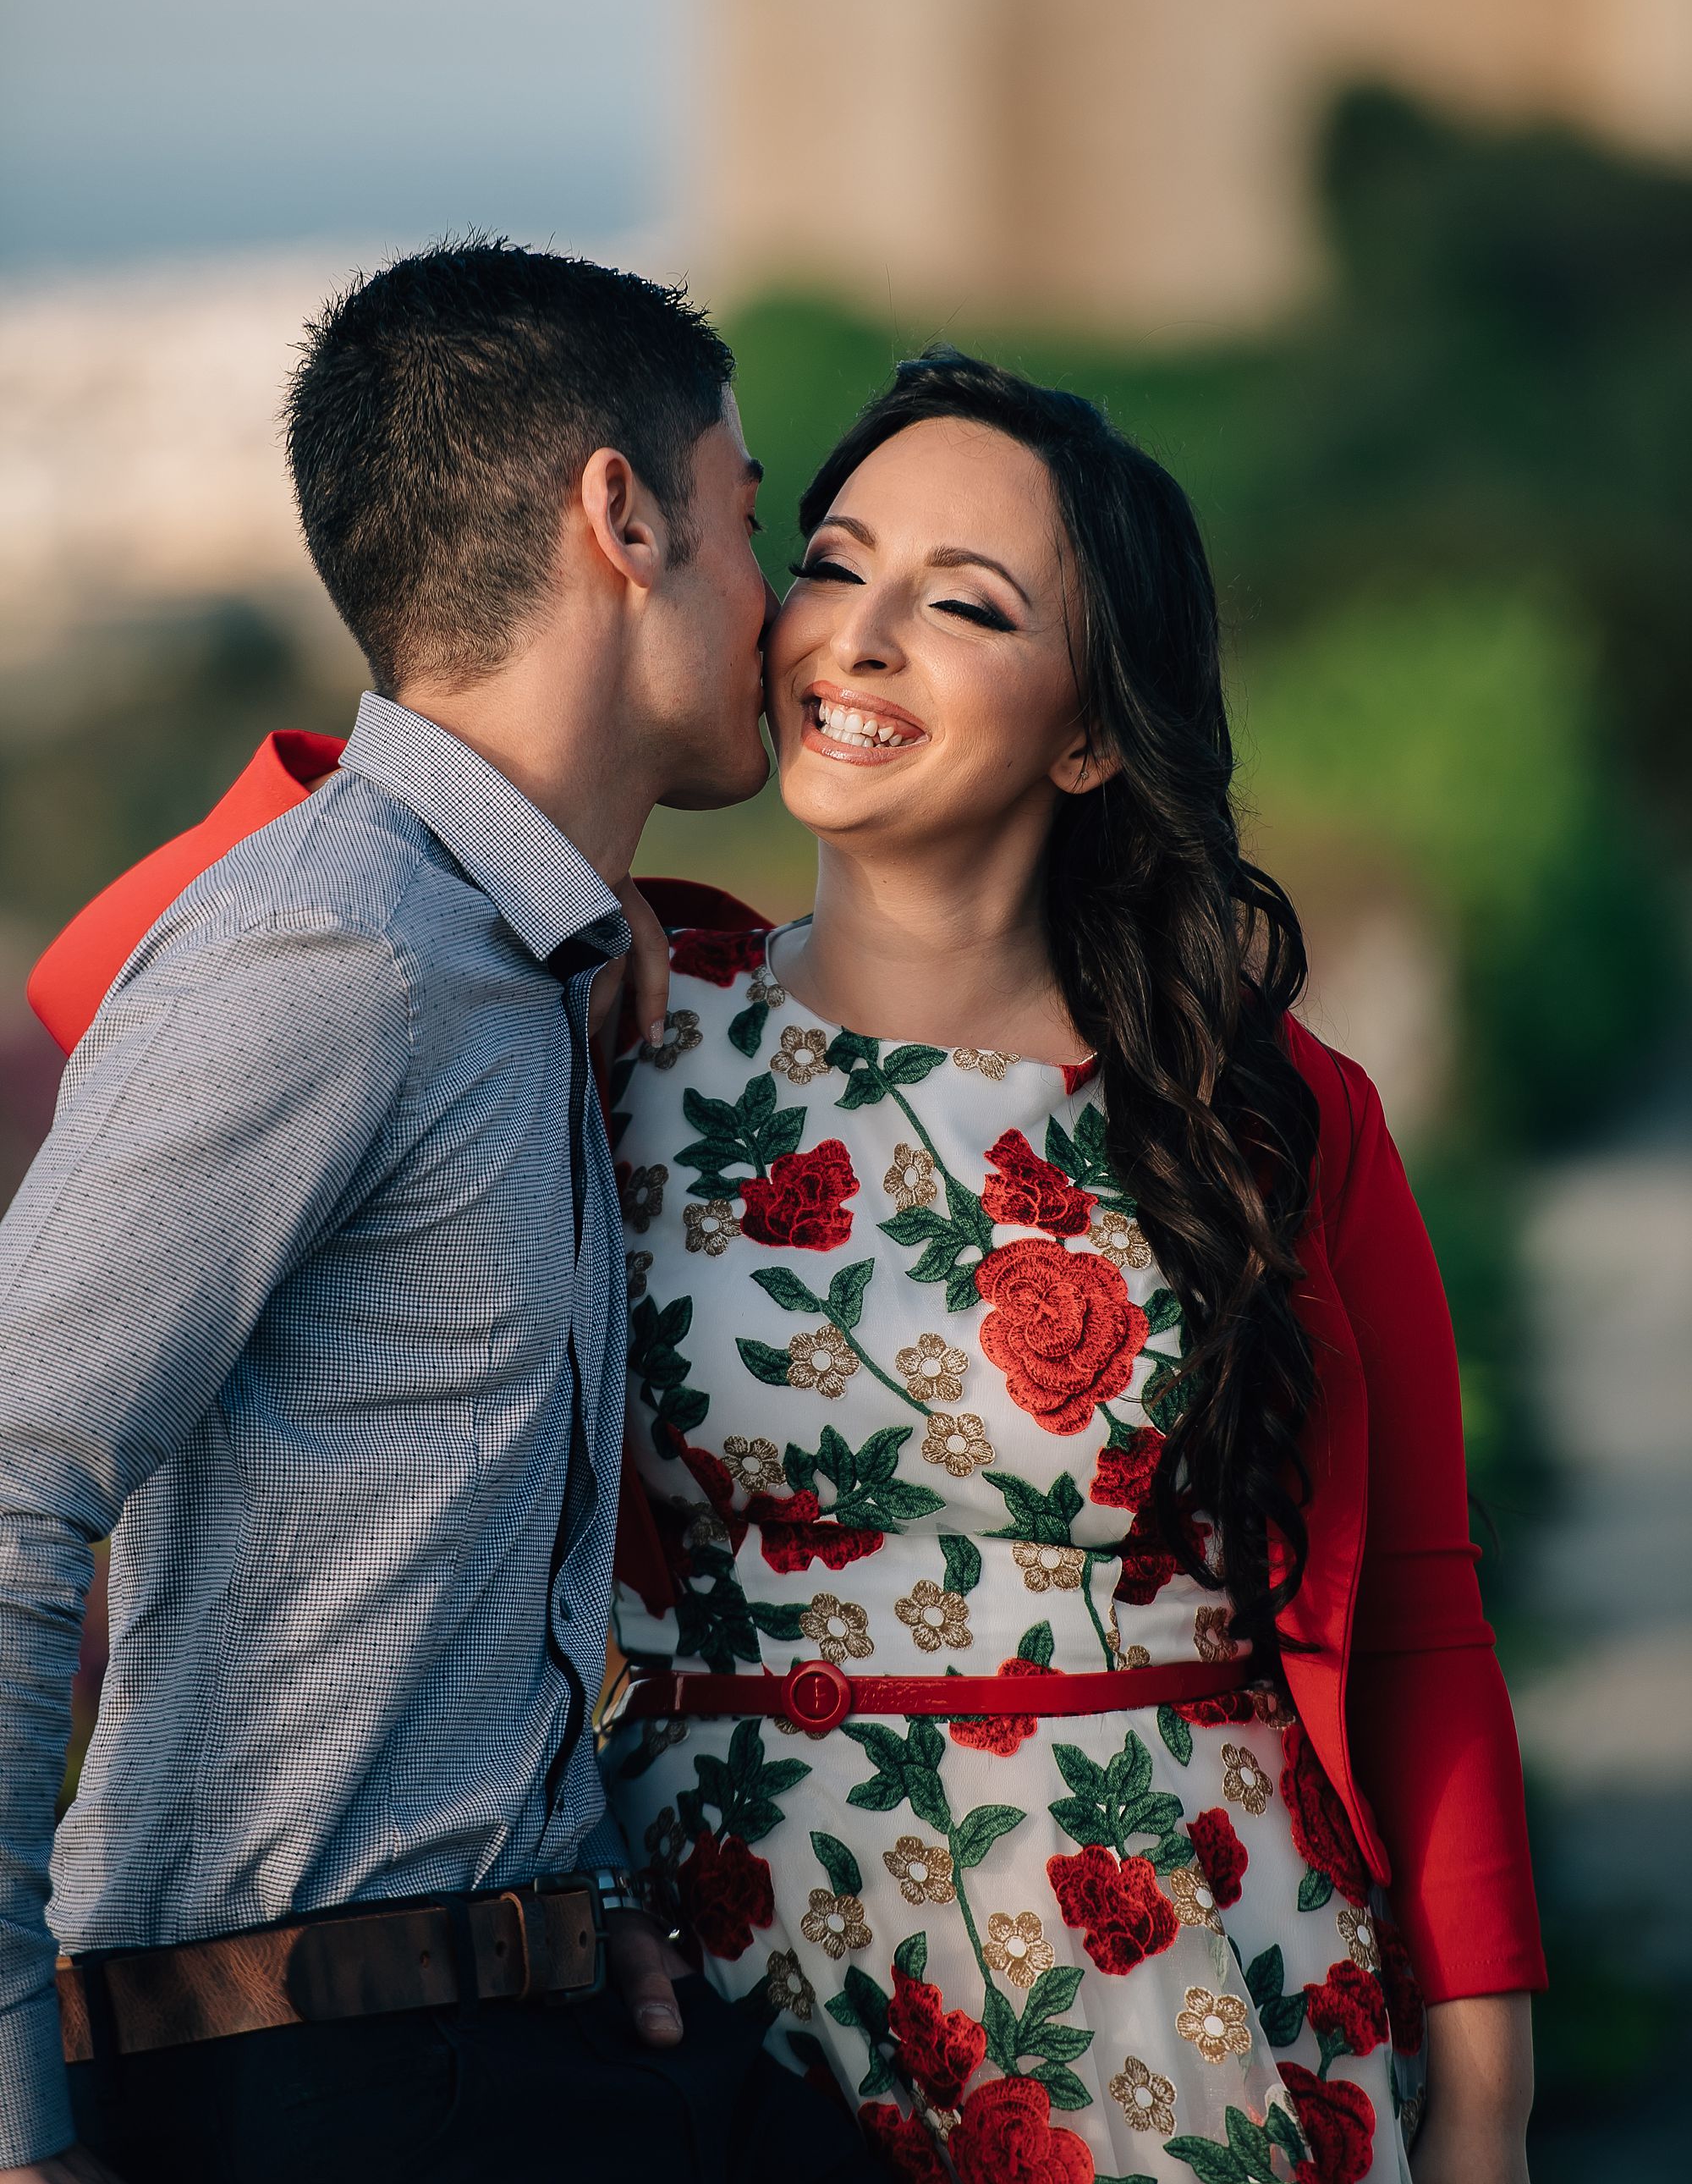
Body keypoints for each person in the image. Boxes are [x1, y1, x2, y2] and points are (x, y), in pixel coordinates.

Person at [596, 352, 1544, 2184]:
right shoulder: (618, 1029)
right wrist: (525, 879)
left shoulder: (1264, 1117)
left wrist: (1490, 2111)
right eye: (834, 561)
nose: (856, 638)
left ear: (1090, 734)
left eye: (959, 605)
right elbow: (135, 986)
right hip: (716, 1974)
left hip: (1172, 1976)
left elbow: (1422, 1619)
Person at [0, 242, 881, 2184]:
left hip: (521, 2021)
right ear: (620, 514)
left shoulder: (510, 954)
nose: (786, 611)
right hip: (315, 2077)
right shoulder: (339, 953)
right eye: (754, 523)